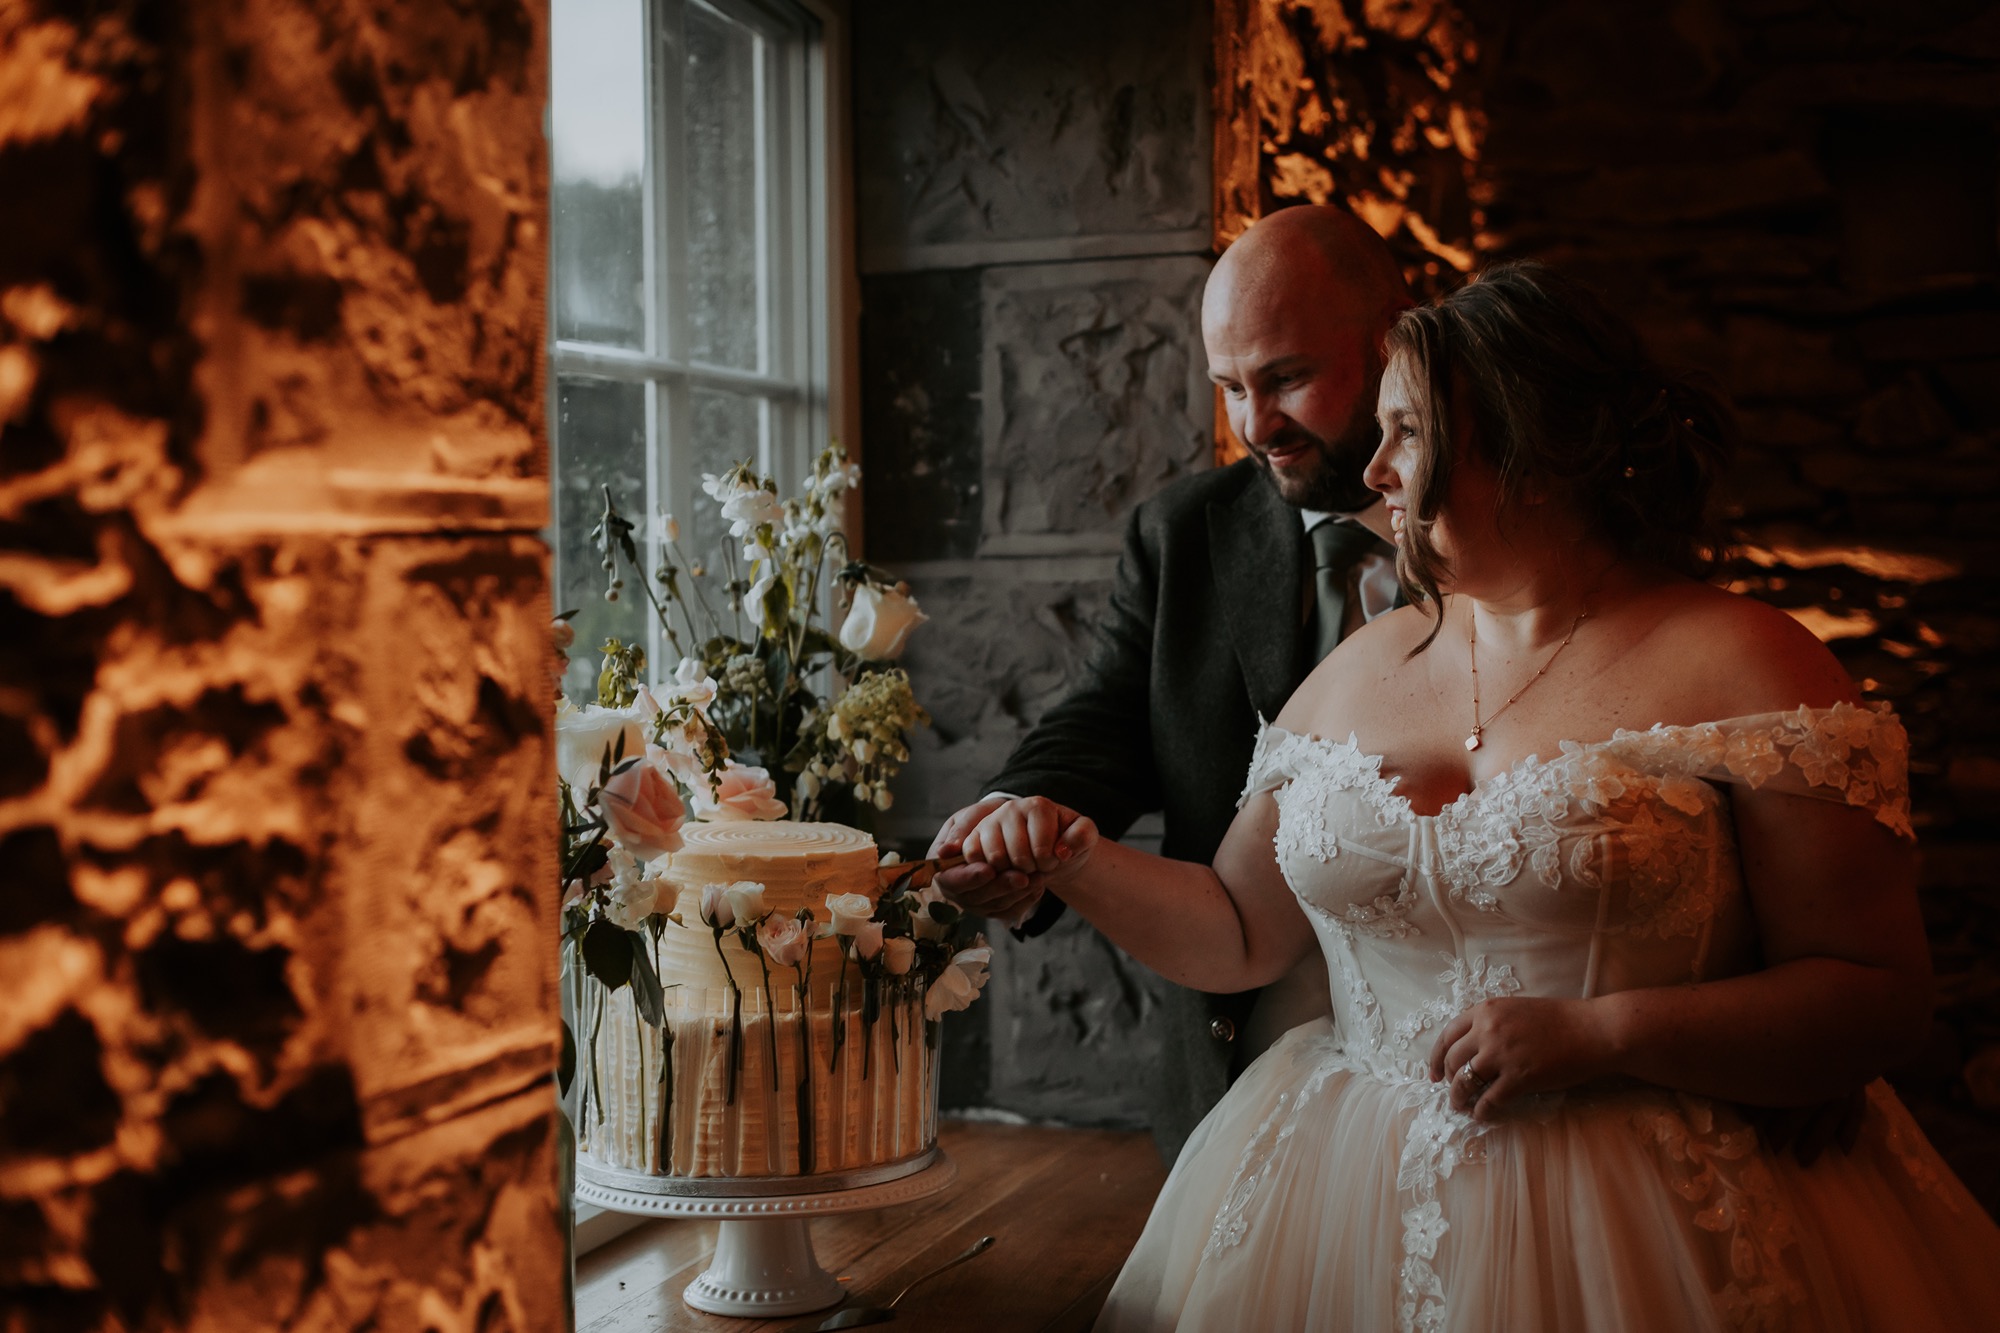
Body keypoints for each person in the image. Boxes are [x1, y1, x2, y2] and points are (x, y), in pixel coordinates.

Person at [956, 262, 2000, 1331]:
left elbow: (1874, 990)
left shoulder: (1745, 665)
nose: (1377, 467)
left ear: (1536, 450)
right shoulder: (1355, 668)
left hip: (1647, 1220)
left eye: (1407, 432)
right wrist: (1077, 861)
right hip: (1335, 1203)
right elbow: (1237, 935)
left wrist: (1606, 1035)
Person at [928, 205, 1413, 1158]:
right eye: (1229, 386)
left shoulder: (1507, 534)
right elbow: (1107, 718)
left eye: (1289, 379)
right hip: (1240, 1069)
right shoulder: (1183, 530)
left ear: (1396, 341)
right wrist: (1013, 818)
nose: (1254, 425)